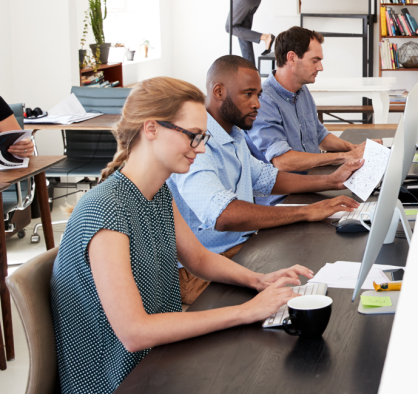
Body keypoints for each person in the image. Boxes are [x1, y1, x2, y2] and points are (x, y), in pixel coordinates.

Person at [51, 77, 312, 394]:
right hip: (120, 381)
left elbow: (198, 259)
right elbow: (135, 332)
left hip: (160, 363)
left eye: (202, 137)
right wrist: (248, 311)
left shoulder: (157, 192)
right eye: (193, 137)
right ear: (151, 129)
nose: (200, 148)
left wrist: (258, 280)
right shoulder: (106, 211)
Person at [167, 56, 361, 305]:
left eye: (258, 94)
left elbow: (266, 178)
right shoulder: (197, 143)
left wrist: (331, 181)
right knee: (300, 290)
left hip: (240, 248)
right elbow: (223, 216)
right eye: (248, 94)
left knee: (315, 270)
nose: (257, 104)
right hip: (202, 269)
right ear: (218, 91)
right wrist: (307, 211)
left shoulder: (234, 133)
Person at [246, 26, 377, 205]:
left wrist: (352, 149)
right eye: (315, 60)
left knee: (367, 198)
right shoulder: (264, 101)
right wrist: (344, 156)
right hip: (284, 200)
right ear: (291, 58)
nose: (320, 67)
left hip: (311, 183)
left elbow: (319, 134)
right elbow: (283, 162)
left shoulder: (302, 90)